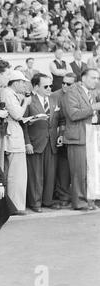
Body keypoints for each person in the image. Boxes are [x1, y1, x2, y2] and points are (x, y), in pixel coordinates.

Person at [62, 68, 100, 210]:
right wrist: (93, 108)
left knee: (90, 172)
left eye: (97, 78)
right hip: (77, 137)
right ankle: (80, 202)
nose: (96, 81)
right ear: (83, 78)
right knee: (79, 172)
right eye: (93, 78)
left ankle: (89, 201)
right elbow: (73, 114)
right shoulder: (72, 91)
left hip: (91, 135)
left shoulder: (91, 93)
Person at [23, 73, 60, 212]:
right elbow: (24, 123)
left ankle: (47, 201)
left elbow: (58, 120)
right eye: (46, 86)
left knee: (50, 174)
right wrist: (27, 142)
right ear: (36, 87)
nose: (49, 88)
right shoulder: (29, 101)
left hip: (51, 142)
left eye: (51, 85)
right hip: (35, 143)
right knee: (36, 176)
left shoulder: (53, 100)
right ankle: (35, 203)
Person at [0, 70, 31, 215]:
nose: (24, 85)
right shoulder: (8, 93)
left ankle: (15, 205)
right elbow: (18, 114)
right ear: (17, 82)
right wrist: (25, 102)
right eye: (23, 82)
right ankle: (15, 206)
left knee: (15, 173)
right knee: (16, 174)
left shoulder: (9, 93)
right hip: (12, 137)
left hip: (13, 135)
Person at [50, 73, 77, 207]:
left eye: (69, 84)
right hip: (59, 136)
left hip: (76, 135)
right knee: (62, 168)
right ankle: (63, 196)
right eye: (63, 83)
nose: (65, 86)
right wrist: (60, 134)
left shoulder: (79, 94)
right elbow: (56, 118)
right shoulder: (55, 95)